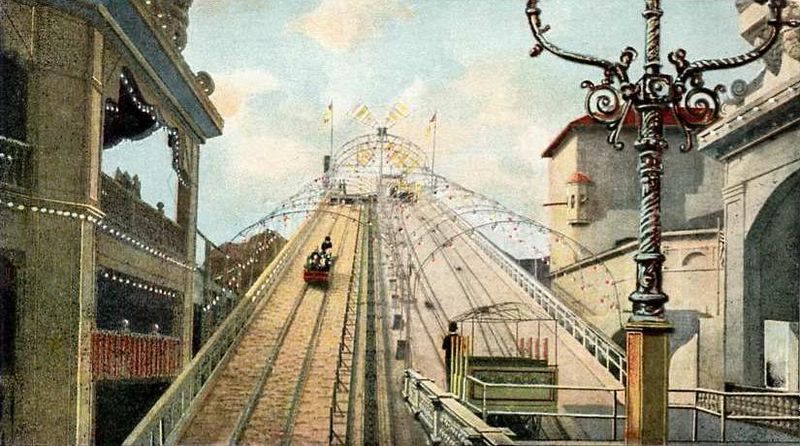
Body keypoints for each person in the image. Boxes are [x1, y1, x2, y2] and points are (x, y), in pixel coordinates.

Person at [441, 321, 461, 392]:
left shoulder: (447, 337)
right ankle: (456, 389)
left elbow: (443, 347)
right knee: (456, 373)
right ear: (456, 329)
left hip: (448, 358)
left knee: (448, 373)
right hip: (457, 358)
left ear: (449, 329)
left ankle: (449, 389)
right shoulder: (459, 337)